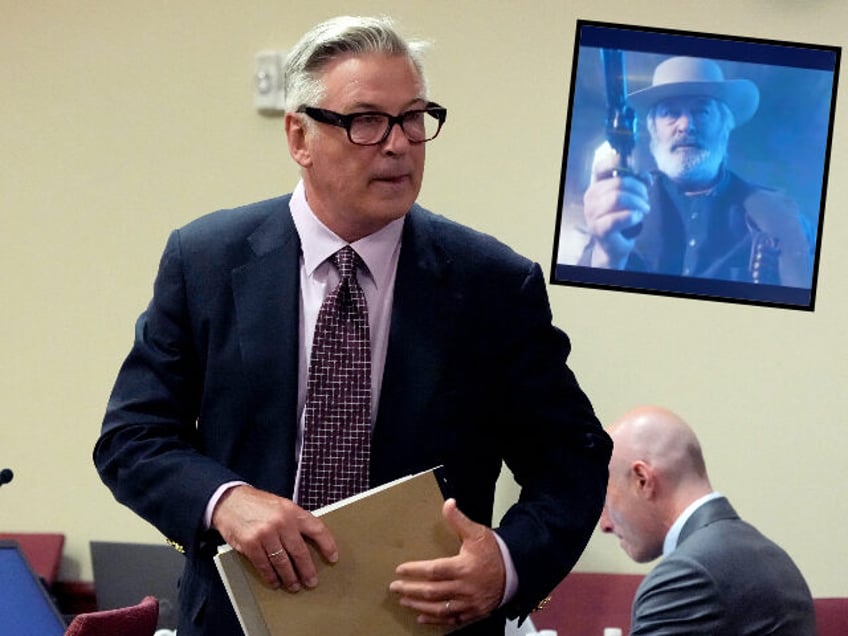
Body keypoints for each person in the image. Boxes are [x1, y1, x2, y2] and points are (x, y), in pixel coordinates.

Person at [94, 15, 612, 636]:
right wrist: (224, 500)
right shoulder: (206, 260)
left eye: (414, 118)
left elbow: (573, 462)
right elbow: (133, 437)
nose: (398, 144)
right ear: (300, 137)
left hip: (425, 622)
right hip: (239, 620)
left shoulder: (492, 284)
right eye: (366, 121)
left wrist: (505, 564)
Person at [580, 56, 813, 287]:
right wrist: (607, 256)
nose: (685, 126)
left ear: (725, 126)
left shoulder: (779, 217)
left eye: (701, 112)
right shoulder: (620, 206)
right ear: (653, 130)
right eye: (670, 113)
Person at [600, 405, 815, 635]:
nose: (605, 525)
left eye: (604, 500)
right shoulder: (771, 556)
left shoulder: (687, 576)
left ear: (642, 480)